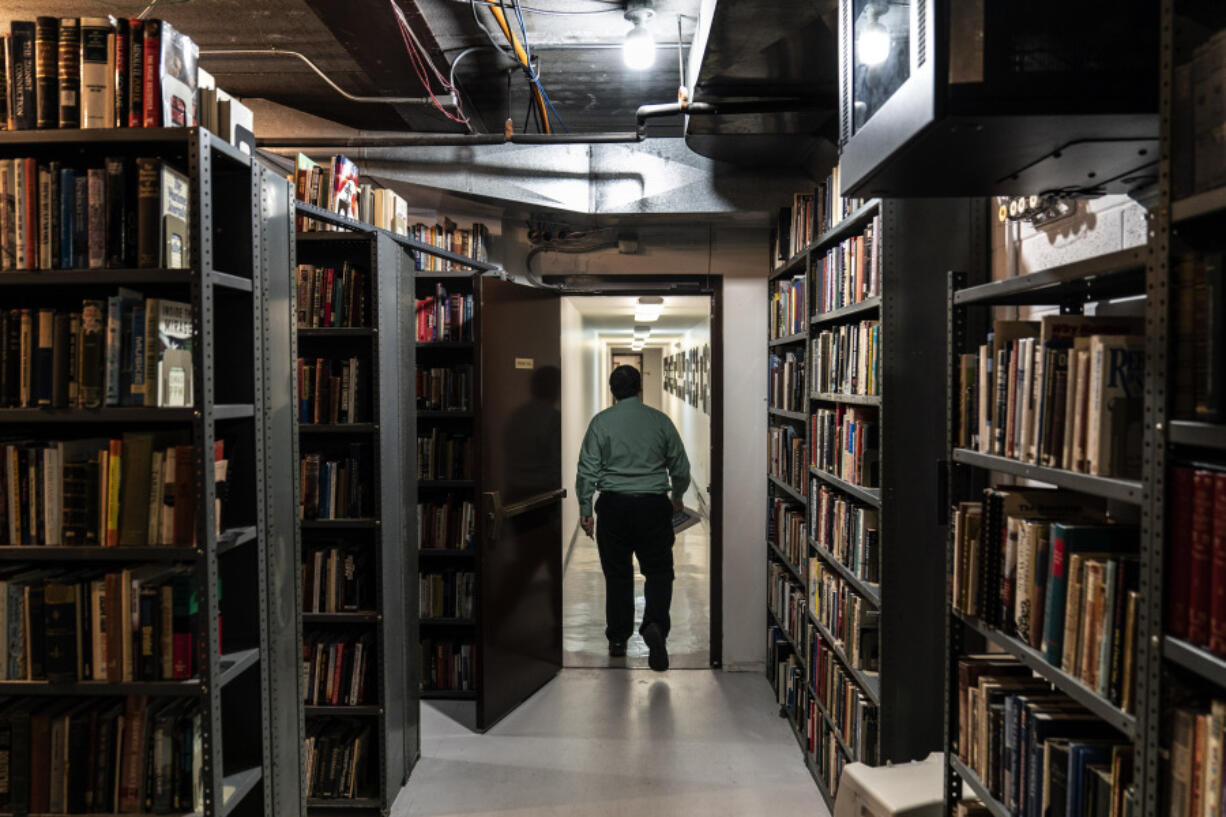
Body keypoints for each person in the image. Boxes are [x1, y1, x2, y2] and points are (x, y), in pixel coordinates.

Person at [576, 364, 691, 671]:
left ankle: (617, 639)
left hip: (613, 507)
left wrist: (586, 509)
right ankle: (654, 625)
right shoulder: (660, 421)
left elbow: (587, 469)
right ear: (640, 387)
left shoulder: (601, 423)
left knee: (617, 575)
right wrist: (677, 498)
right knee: (659, 571)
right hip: (653, 507)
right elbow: (680, 467)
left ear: (613, 392)